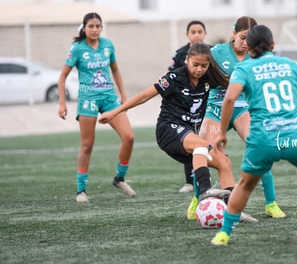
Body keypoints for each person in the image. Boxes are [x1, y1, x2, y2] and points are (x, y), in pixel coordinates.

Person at [211, 25, 297, 245]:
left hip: (264, 139)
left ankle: (224, 233)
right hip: (294, 135)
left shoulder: (243, 69)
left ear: (250, 48)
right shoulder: (289, 65)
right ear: (273, 46)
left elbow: (228, 99)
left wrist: (221, 133)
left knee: (245, 185)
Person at [98, 43, 234, 203]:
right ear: (187, 60)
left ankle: (232, 210)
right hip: (168, 130)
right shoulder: (175, 77)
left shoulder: (209, 77)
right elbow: (144, 95)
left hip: (188, 136)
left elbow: (233, 83)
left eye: (204, 66)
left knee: (224, 162)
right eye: (195, 65)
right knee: (201, 145)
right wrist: (114, 112)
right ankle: (205, 191)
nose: (199, 69)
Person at [186, 16, 285, 222]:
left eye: (250, 39)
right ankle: (198, 200)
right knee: (202, 150)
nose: (245, 43)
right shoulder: (216, 52)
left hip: (241, 108)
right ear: (233, 33)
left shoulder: (256, 56)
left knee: (259, 148)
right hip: (215, 108)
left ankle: (271, 203)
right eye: (242, 37)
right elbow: (196, 71)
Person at [57, 12, 136, 203]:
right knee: (87, 145)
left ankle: (119, 179)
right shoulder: (77, 48)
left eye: (98, 26)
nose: (94, 29)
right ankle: (81, 190)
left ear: (101, 28)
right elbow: (62, 77)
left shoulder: (108, 45)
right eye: (91, 26)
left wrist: (123, 96)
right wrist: (62, 102)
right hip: (88, 99)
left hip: (109, 98)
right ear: (84, 28)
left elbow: (115, 69)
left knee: (129, 137)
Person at [168, 20, 208, 193]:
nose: (197, 34)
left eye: (200, 31)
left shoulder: (211, 51)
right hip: (184, 101)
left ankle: (210, 177)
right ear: (187, 35)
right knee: (189, 137)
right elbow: (170, 74)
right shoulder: (180, 54)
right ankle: (190, 181)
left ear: (205, 33)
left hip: (205, 98)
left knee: (208, 139)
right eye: (193, 32)